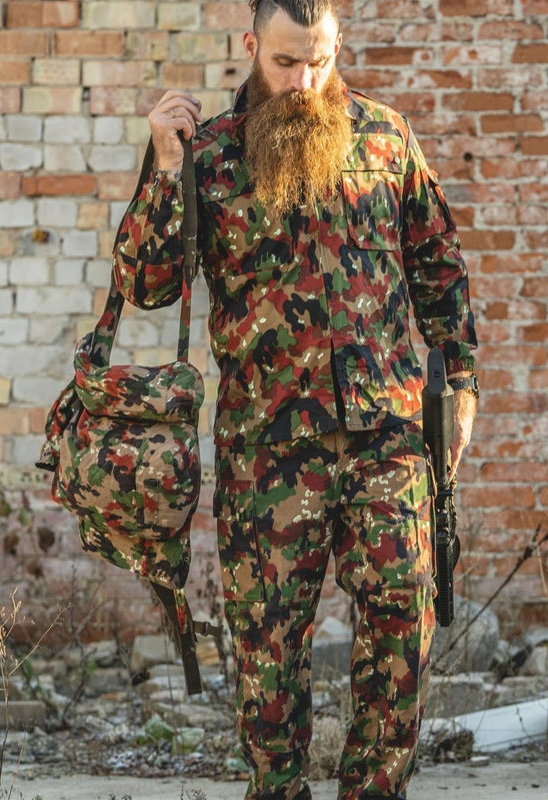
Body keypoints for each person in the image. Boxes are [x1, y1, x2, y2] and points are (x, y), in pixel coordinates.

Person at [113, 0, 478, 797]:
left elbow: (440, 268)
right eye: (284, 63)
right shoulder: (208, 155)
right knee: (268, 657)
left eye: (319, 61)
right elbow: (147, 284)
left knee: (403, 627)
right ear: (251, 46)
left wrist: (460, 385)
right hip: (268, 452)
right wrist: (164, 170)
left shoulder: (386, 139)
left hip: (388, 438)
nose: (304, 82)